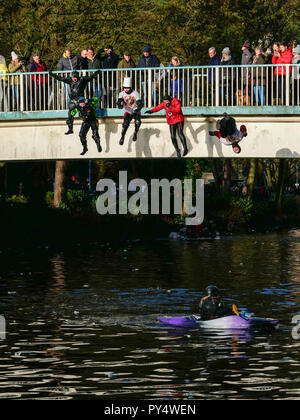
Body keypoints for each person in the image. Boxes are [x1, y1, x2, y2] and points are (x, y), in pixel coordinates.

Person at [49, 69, 101, 134]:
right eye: (73, 78)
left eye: (76, 78)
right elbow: (60, 78)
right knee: (70, 114)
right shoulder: (70, 80)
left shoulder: (82, 79)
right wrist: (52, 75)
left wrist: (96, 73)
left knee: (83, 110)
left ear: (78, 77)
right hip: (73, 100)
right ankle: (70, 129)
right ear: (72, 77)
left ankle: (89, 120)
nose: (74, 79)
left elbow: (90, 78)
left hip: (80, 99)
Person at [117, 77, 142, 145]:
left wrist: (138, 108)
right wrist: (119, 104)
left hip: (135, 110)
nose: (126, 89)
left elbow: (139, 102)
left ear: (130, 87)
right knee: (125, 124)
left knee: (137, 122)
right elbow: (119, 101)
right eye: (124, 88)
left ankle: (135, 133)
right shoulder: (121, 93)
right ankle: (122, 137)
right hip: (127, 111)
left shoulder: (135, 93)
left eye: (127, 88)